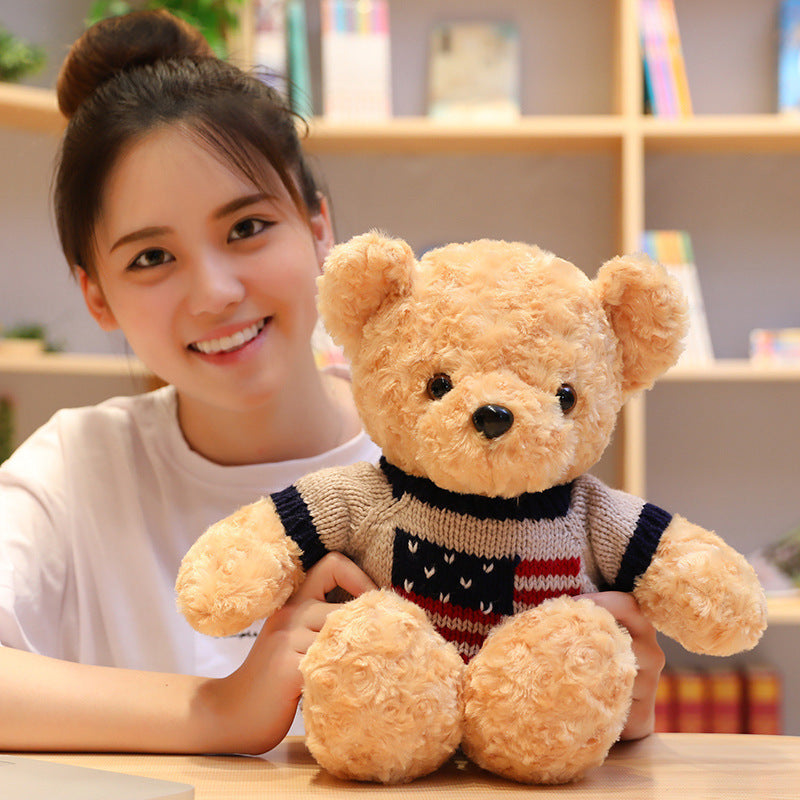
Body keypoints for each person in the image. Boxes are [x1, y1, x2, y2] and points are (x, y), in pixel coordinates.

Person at [0, 10, 663, 756]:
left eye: (246, 228)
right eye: (151, 257)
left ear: (320, 230)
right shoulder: (75, 467)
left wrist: (611, 712)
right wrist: (216, 710)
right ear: (96, 296)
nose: (215, 291)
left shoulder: (463, 447)